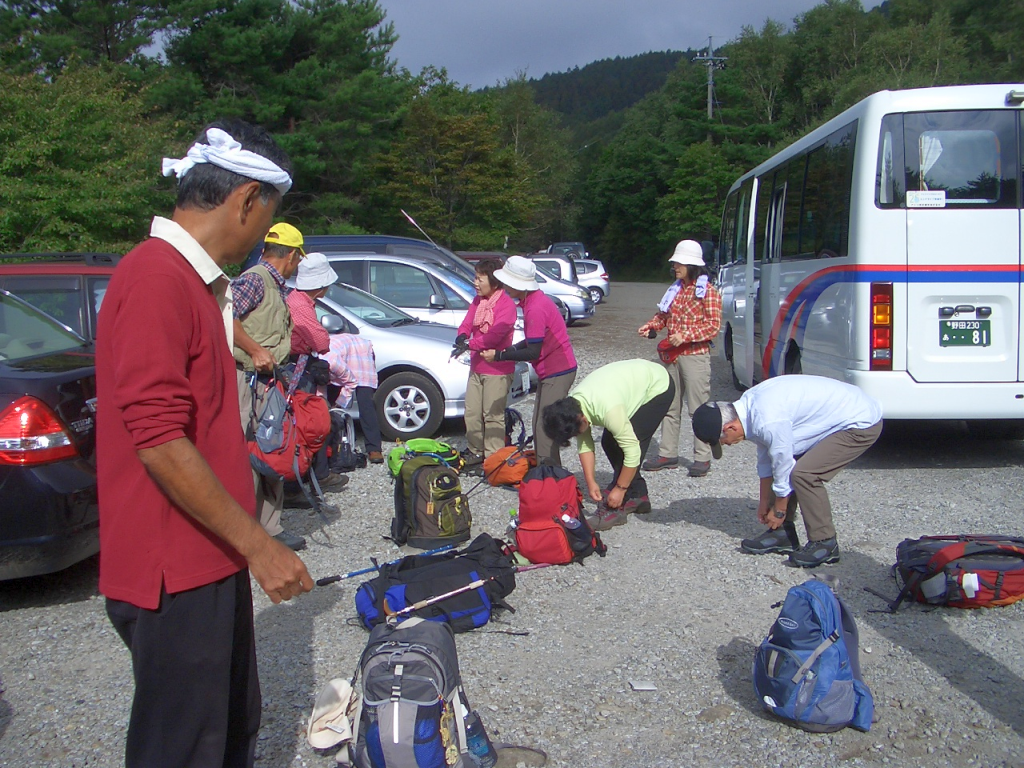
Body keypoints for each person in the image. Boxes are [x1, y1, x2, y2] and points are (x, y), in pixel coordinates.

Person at [96, 119, 314, 768]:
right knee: (186, 748)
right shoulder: (155, 277)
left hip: (208, 553)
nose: (260, 232)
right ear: (248, 200)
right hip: (172, 568)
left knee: (230, 730)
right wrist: (260, 545)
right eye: (266, 214)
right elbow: (159, 440)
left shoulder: (197, 281)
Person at [691, 375, 883, 568]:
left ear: (730, 426)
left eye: (723, 441)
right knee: (785, 464)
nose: (727, 445)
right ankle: (783, 534)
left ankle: (825, 542)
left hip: (860, 422)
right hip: (837, 414)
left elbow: (783, 463)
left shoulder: (767, 418)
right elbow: (767, 459)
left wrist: (780, 510)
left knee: (805, 474)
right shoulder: (747, 410)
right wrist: (764, 502)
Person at [542, 359, 675, 531]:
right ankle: (639, 496)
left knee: (627, 444)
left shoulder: (607, 410)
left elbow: (632, 452)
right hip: (631, 381)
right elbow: (585, 445)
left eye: (576, 432)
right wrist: (591, 483)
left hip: (657, 386)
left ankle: (618, 505)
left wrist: (619, 488)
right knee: (608, 441)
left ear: (581, 419)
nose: (577, 436)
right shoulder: (574, 407)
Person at [481, 256, 577, 466]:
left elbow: (533, 351)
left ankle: (549, 478)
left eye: (507, 281)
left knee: (545, 429)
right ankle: (548, 473)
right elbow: (534, 339)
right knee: (539, 424)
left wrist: (499, 356)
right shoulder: (533, 301)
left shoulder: (535, 307)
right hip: (552, 370)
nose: (504, 285)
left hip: (558, 370)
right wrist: (511, 349)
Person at [638, 239, 722, 478]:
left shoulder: (709, 292)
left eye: (679, 263)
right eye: (675, 262)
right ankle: (668, 453)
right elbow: (663, 315)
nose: (675, 266)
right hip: (672, 357)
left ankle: (702, 457)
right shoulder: (674, 289)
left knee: (698, 408)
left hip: (695, 356)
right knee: (669, 405)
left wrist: (685, 336)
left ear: (692, 265)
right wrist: (651, 326)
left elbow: (713, 326)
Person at [455, 258, 516, 466]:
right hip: (477, 367)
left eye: (480, 279)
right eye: (475, 278)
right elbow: (467, 322)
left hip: (498, 370)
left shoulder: (506, 306)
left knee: (492, 415)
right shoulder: (477, 302)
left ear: (494, 281)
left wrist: (471, 344)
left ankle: (493, 457)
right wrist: (462, 336)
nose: (475, 283)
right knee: (471, 412)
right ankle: (475, 450)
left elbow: (495, 336)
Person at [324, 332, 384, 464]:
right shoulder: (312, 363)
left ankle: (374, 448)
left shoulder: (332, 362)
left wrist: (340, 401)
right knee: (326, 404)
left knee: (365, 401)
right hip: (340, 352)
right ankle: (330, 446)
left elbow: (351, 382)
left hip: (359, 351)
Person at [286, 251, 335, 356]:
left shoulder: (297, 298)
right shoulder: (301, 306)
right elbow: (321, 343)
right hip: (296, 361)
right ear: (322, 285)